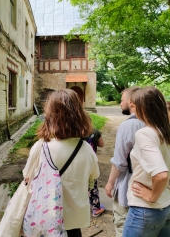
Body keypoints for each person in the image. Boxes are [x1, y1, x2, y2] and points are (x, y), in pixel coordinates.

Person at [23, 89, 100, 237]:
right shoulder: (86, 149)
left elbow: (27, 177)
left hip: (46, 220)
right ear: (79, 115)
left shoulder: (40, 147)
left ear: (50, 115)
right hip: (74, 222)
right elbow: (94, 175)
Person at [122, 86, 170, 237]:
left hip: (146, 209)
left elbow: (161, 175)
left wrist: (152, 197)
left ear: (144, 108)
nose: (133, 110)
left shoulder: (145, 134)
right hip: (168, 207)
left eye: (134, 106)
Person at [104, 86, 144, 237]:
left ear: (131, 102)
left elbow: (120, 162)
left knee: (123, 228)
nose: (120, 104)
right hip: (150, 192)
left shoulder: (129, 125)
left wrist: (110, 183)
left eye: (122, 101)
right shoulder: (156, 124)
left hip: (128, 190)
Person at [85, 128, 105, 217]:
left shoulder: (75, 133)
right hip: (91, 163)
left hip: (78, 164)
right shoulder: (95, 131)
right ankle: (96, 209)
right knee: (92, 186)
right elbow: (101, 144)